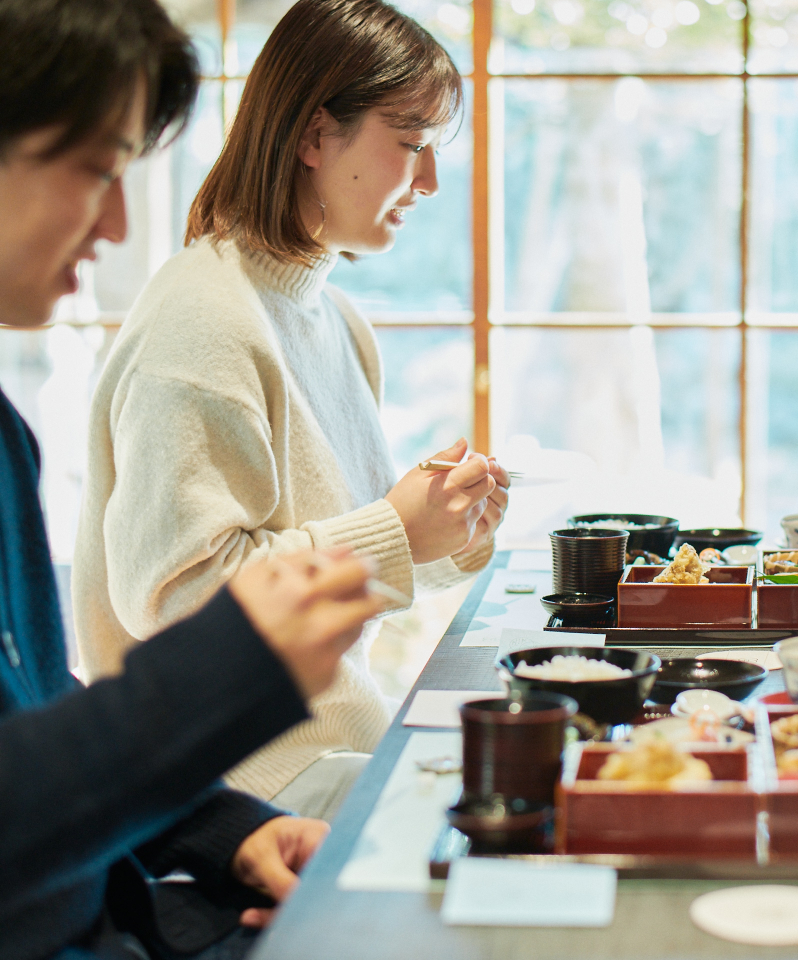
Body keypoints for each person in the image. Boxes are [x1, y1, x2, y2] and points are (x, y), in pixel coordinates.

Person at [0, 0, 390, 957]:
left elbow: (44, 717)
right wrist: (236, 667)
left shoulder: (4, 438)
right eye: (96, 168)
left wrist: (231, 831)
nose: (120, 221)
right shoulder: (202, 317)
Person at [72, 0, 509, 820]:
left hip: (325, 746)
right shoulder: (202, 317)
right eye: (412, 146)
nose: (430, 183)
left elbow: (355, 550)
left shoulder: (333, 317)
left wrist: (448, 529)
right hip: (236, 789)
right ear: (313, 138)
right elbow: (177, 598)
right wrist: (395, 531)